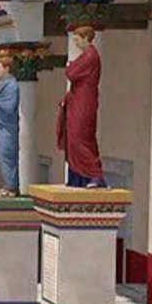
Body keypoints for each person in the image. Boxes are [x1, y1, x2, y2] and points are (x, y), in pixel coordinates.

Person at [58, 25, 106, 188]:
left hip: (84, 102)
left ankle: (95, 175)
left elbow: (70, 73)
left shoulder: (90, 56)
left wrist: (70, 67)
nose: (76, 42)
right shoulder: (86, 55)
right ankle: (77, 176)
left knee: (80, 138)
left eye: (78, 38)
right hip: (77, 100)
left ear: (86, 38)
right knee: (72, 138)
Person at [0, 52, 20, 197]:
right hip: (1, 127)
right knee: (0, 155)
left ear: (7, 68)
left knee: (7, 155)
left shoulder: (12, 85)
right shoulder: (2, 84)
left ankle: (12, 186)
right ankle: (8, 185)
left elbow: (10, 106)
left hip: (8, 127)